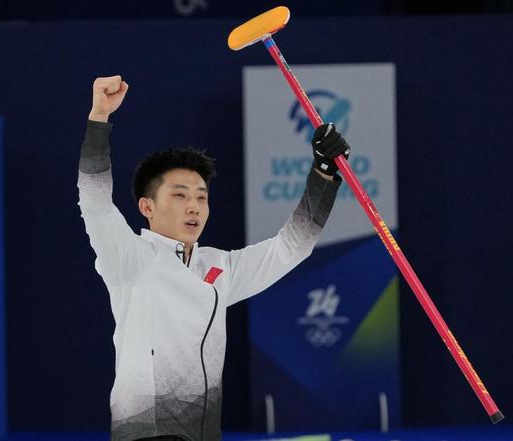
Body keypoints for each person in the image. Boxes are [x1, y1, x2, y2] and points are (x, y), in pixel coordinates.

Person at [77, 75, 350, 441]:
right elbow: (95, 204)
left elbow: (292, 247)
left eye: (201, 197)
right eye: (179, 195)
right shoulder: (130, 257)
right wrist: (99, 118)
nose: (194, 206)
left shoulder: (220, 268)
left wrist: (323, 174)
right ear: (147, 207)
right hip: (146, 433)